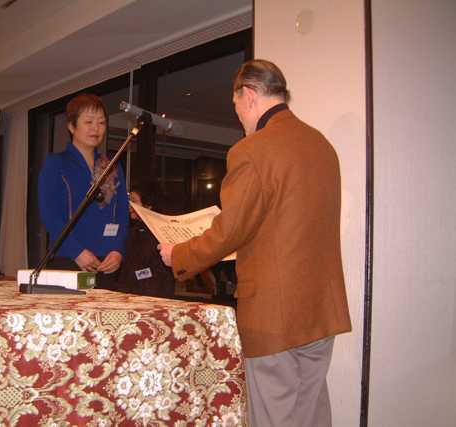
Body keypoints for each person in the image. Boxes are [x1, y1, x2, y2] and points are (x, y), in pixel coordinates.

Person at [159, 59, 352, 427]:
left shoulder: (252, 150)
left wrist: (178, 254)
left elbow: (230, 230)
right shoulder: (322, 146)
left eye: (236, 107)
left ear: (248, 95)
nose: (239, 119)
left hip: (273, 315)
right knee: (311, 416)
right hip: (321, 312)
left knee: (273, 418)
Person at [38, 93, 128, 289]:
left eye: (101, 122)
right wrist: (76, 251)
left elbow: (122, 213)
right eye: (88, 122)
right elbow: (50, 215)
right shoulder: (56, 163)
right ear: (72, 126)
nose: (96, 128)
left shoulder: (111, 166)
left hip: (107, 262)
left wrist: (118, 250)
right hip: (69, 258)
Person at [116, 189, 175, 298]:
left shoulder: (159, 231)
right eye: (129, 201)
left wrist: (136, 276)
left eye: (134, 201)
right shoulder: (134, 229)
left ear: (148, 206)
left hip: (152, 292)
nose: (130, 206)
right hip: (132, 290)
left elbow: (157, 269)